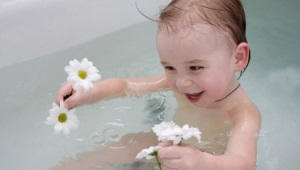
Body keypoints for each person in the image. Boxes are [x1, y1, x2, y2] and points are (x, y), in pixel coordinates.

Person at [55, 0, 261, 169]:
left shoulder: (242, 113)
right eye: (170, 68)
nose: (181, 82)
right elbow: (127, 86)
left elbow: (243, 163)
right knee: (128, 143)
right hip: (168, 147)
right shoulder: (181, 84)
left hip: (209, 163)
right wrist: (91, 92)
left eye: (195, 68)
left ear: (238, 58)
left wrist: (203, 162)